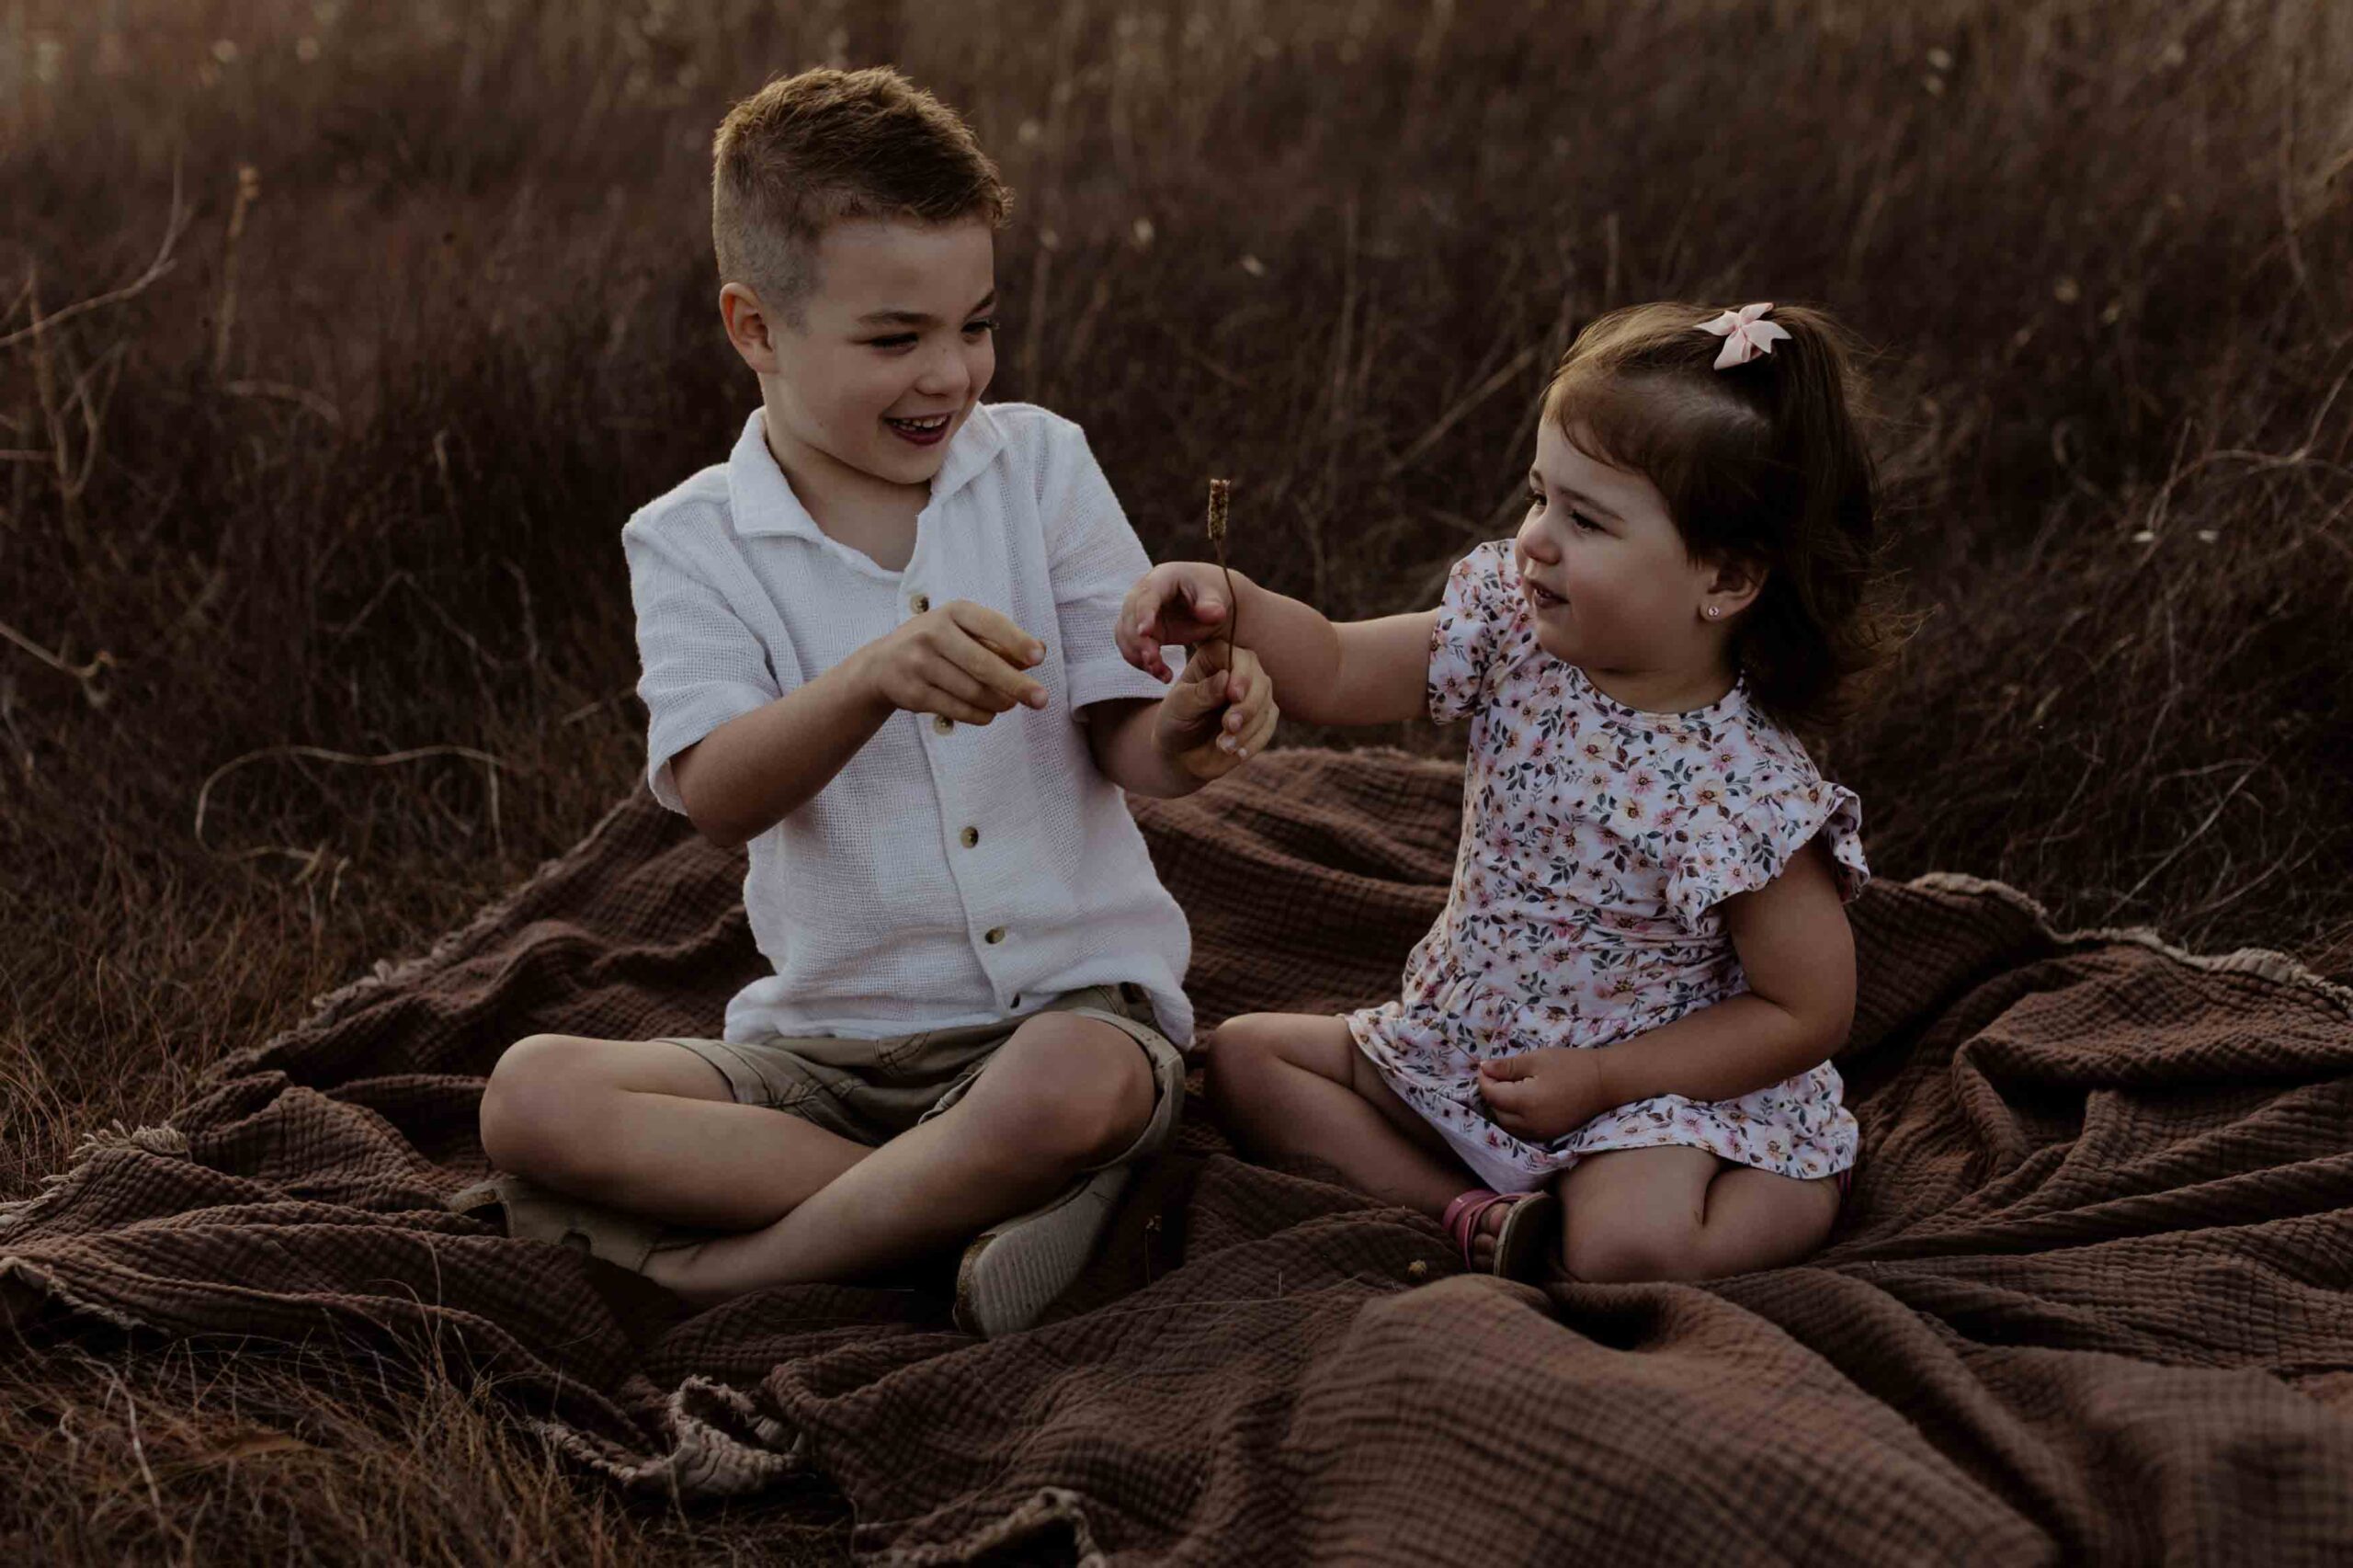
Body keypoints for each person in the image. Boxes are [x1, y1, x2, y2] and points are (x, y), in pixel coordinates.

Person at [452, 66, 1279, 1336]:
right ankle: (968, 1213)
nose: (949, 374)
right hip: (827, 1054)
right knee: (529, 1098)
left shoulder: (1040, 466)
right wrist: (870, 679)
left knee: (1071, 1089)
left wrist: (1187, 725)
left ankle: (737, 1271)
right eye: (896, 338)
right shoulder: (690, 538)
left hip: (1063, 1022)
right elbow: (720, 792)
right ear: (756, 328)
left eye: (976, 324)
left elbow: (1127, 733)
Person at [1118, 301, 1898, 1284]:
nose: (1534, 541)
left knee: (1629, 1246)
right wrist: (1238, 606)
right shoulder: (1512, 637)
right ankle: (1467, 1214)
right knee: (1244, 1060)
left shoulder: (1744, 792)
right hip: (1465, 1053)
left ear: (1727, 577)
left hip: (1643, 1094)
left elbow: (1806, 1009)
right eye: (1539, 497)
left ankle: (1789, 1188)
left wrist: (1607, 1079)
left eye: (1586, 520)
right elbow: (1339, 669)